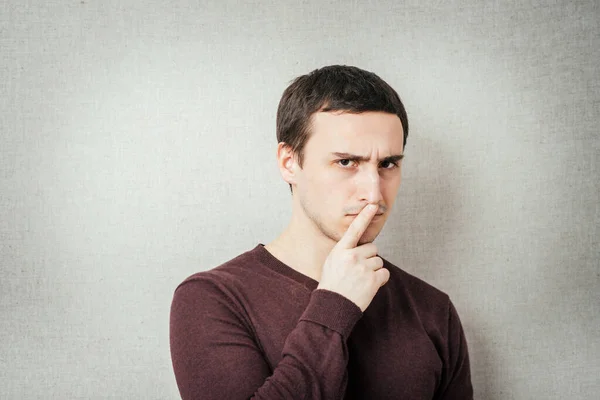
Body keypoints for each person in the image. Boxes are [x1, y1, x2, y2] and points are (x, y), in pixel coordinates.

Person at [169, 65, 473, 399]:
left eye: (387, 164)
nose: (373, 194)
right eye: (346, 162)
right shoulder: (212, 299)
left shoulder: (432, 310)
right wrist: (334, 306)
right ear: (289, 162)